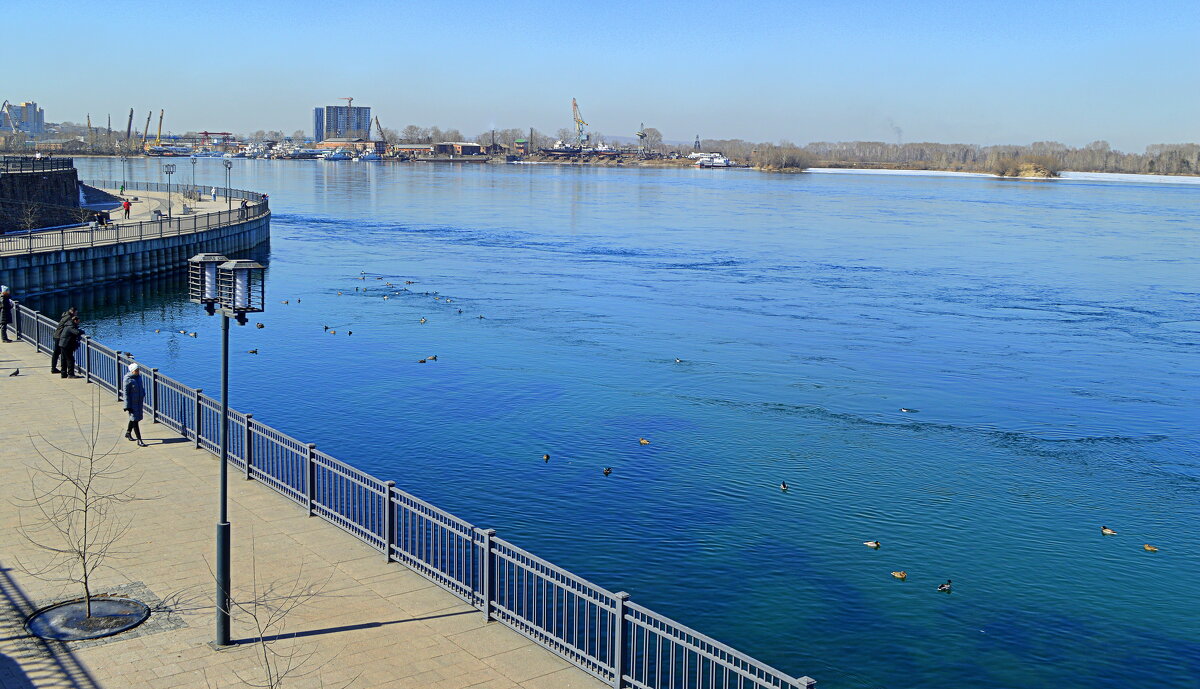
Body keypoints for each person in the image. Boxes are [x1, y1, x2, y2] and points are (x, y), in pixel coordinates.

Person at [122, 363, 147, 447]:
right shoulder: (127, 379)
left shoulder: (139, 377)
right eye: (136, 370)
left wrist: (143, 393)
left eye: (138, 370)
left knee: (134, 419)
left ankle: (128, 433)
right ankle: (139, 440)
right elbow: (126, 393)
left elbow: (141, 387)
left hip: (139, 401)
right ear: (132, 371)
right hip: (132, 403)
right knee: (135, 421)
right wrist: (127, 406)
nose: (138, 371)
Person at [49, 306, 78, 373]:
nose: (76, 314)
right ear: (72, 312)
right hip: (60, 336)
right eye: (76, 313)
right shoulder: (69, 318)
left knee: (57, 353)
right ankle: (60, 370)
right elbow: (70, 327)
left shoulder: (65, 316)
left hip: (57, 335)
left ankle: (56, 369)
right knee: (60, 353)